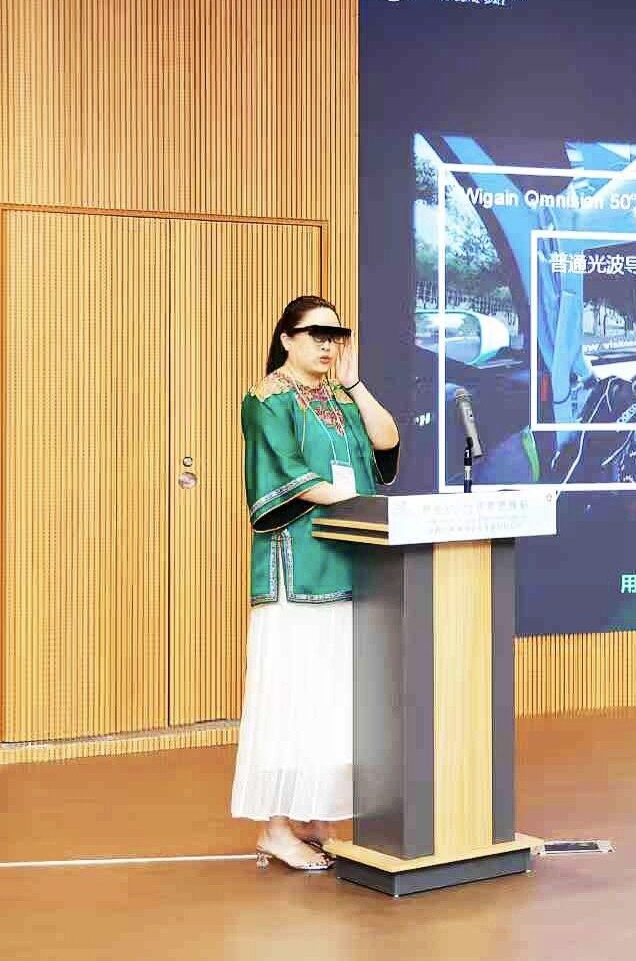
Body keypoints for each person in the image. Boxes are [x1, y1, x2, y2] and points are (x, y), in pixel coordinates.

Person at [231, 296, 400, 870]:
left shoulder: (339, 398)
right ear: (287, 339)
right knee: (290, 692)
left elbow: (385, 442)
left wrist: (356, 385)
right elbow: (290, 476)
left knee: (332, 696)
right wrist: (356, 503)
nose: (329, 345)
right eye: (317, 334)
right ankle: (276, 827)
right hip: (297, 567)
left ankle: (316, 816)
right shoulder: (266, 398)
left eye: (337, 336)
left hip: (347, 561)